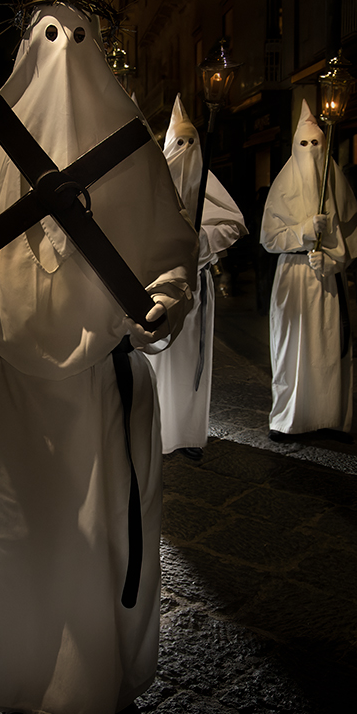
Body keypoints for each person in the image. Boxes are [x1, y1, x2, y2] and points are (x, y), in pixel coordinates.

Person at [0, 0, 197, 714]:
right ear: (28, 39)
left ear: (99, 45)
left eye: (77, 36)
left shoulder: (134, 151)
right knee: (20, 534)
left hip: (100, 386)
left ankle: (88, 682)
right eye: (49, 33)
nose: (63, 51)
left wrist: (161, 305)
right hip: (15, 390)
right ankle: (20, 672)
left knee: (94, 543)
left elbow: (171, 258)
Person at [260, 100, 357, 441]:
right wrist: (304, 230)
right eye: (304, 144)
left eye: (316, 144)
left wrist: (334, 260)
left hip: (325, 281)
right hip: (293, 276)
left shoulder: (335, 183)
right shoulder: (280, 187)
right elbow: (269, 239)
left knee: (326, 347)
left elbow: (350, 242)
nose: (310, 151)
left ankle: (329, 416)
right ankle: (289, 419)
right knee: (292, 349)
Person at [147, 95, 246, 460]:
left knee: (190, 359)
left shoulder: (208, 182)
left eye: (191, 143)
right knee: (158, 357)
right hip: (159, 286)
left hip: (198, 285)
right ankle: (155, 430)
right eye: (178, 144)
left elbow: (232, 224)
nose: (185, 151)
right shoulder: (152, 184)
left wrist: (202, 239)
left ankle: (186, 432)